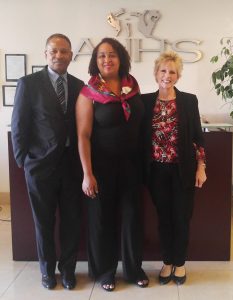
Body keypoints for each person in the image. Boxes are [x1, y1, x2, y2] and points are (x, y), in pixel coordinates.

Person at [11, 33, 84, 290]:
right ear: (45, 54)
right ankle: (46, 271)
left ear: (71, 55)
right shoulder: (28, 84)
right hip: (39, 166)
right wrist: (23, 161)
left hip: (71, 166)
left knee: (72, 220)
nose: (59, 56)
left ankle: (68, 270)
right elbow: (19, 124)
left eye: (64, 51)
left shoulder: (79, 85)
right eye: (54, 51)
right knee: (43, 222)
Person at [76, 37, 149, 292]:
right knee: (101, 220)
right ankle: (104, 271)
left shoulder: (134, 87)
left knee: (132, 218)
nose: (107, 59)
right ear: (95, 62)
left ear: (121, 58)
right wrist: (87, 174)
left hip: (131, 166)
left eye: (112, 54)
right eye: (101, 56)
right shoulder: (89, 93)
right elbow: (83, 136)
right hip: (100, 168)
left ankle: (132, 269)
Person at [142, 51, 207, 285]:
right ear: (156, 73)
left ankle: (180, 264)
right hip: (156, 172)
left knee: (181, 217)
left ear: (178, 76)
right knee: (164, 218)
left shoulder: (189, 101)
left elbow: (198, 138)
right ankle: (167, 261)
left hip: (184, 171)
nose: (167, 75)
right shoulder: (145, 101)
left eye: (172, 72)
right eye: (163, 70)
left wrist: (201, 167)